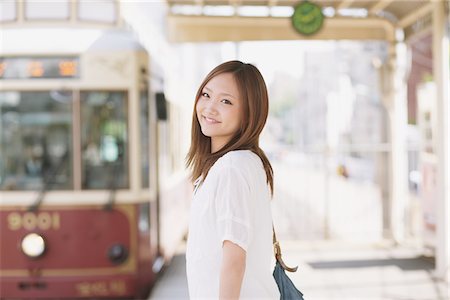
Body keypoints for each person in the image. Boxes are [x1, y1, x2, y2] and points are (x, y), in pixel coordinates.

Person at [186, 60, 280, 299]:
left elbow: (234, 260)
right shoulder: (245, 162)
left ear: (249, 113)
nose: (209, 107)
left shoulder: (231, 167)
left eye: (226, 101)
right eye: (206, 95)